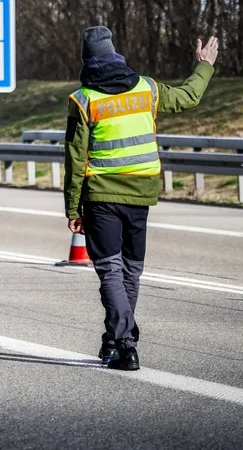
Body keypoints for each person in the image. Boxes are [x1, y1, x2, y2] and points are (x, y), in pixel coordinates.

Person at [64, 26, 218, 371]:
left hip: (101, 196)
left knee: (109, 270)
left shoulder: (84, 99)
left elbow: (75, 159)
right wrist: (204, 65)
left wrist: (72, 207)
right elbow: (188, 96)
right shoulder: (147, 88)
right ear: (115, 52)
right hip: (141, 194)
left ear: (86, 59)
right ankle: (114, 340)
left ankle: (124, 342)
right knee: (131, 270)